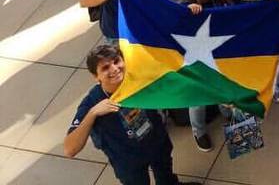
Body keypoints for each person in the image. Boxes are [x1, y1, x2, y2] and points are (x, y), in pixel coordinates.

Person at [65, 45, 200, 185]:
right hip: (127, 159)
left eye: (116, 61)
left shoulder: (137, 79)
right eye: (105, 68)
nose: (114, 69)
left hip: (156, 141)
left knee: (166, 174)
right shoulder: (92, 102)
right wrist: (92, 114)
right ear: (96, 76)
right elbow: (70, 149)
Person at [182, 0, 231, 150]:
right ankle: (199, 131)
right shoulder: (185, 3)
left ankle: (225, 111)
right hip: (194, 61)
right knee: (198, 100)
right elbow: (173, 23)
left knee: (221, 88)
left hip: (217, 56)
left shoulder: (219, 1)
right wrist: (187, 12)